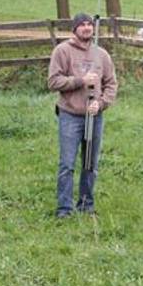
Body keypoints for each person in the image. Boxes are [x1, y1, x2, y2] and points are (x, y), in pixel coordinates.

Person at [48, 12, 118, 218]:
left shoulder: (102, 55)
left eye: (90, 24)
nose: (87, 28)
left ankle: (86, 205)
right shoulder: (62, 51)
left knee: (90, 163)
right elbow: (53, 82)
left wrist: (101, 103)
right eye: (82, 25)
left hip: (94, 117)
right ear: (74, 29)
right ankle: (64, 209)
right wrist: (80, 80)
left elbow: (111, 84)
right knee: (67, 164)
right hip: (70, 115)